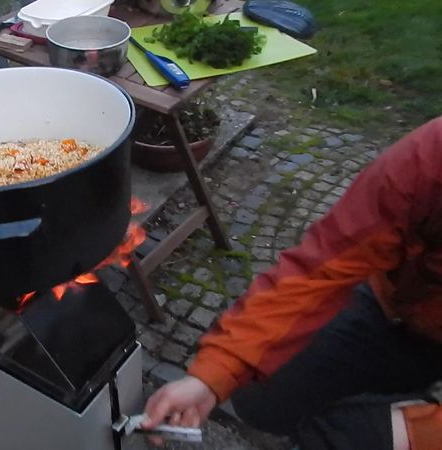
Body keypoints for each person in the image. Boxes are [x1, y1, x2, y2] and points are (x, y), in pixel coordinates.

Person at [142, 116, 442, 449]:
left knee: (349, 435)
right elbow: (323, 265)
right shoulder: (430, 155)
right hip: (397, 307)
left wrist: (416, 431)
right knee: (260, 395)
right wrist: (213, 374)